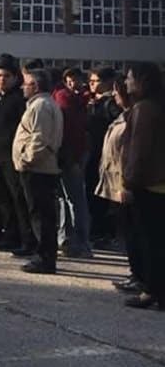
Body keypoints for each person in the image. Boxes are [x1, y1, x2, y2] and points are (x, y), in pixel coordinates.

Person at [121, 62, 165, 310]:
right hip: (159, 184)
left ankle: (151, 290)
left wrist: (129, 182)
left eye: (129, 78)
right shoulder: (158, 104)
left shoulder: (144, 109)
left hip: (148, 185)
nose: (127, 83)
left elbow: (139, 151)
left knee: (150, 242)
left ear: (142, 81)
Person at [13, 68, 65, 275]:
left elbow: (39, 139)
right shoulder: (41, 104)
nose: (22, 87)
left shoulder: (41, 106)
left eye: (25, 83)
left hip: (38, 168)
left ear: (35, 86)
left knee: (41, 215)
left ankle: (44, 258)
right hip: (40, 168)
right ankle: (43, 255)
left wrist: (26, 159)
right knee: (41, 214)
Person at [95, 81, 139, 295]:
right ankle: (135, 273)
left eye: (117, 91)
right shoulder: (126, 115)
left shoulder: (136, 117)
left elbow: (133, 155)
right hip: (116, 181)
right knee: (127, 231)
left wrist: (127, 184)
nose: (113, 95)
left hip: (127, 183)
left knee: (134, 231)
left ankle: (140, 276)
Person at [0, 61, 33, 254]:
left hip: (12, 158)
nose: (1, 80)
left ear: (15, 78)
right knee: (2, 200)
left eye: (6, 76)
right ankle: (9, 236)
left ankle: (27, 241)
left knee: (18, 201)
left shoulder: (19, 101)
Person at [54, 68, 92, 258]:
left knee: (74, 199)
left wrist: (75, 157)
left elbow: (74, 130)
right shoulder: (69, 98)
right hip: (67, 154)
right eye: (68, 80)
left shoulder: (67, 99)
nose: (72, 83)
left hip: (73, 154)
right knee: (65, 198)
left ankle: (80, 242)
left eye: (75, 80)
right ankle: (66, 238)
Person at [85, 67, 123, 247]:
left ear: (108, 82)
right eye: (90, 80)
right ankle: (97, 231)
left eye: (95, 81)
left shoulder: (110, 103)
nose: (91, 84)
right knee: (93, 194)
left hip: (104, 155)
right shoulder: (93, 101)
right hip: (92, 154)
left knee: (103, 197)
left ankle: (104, 233)